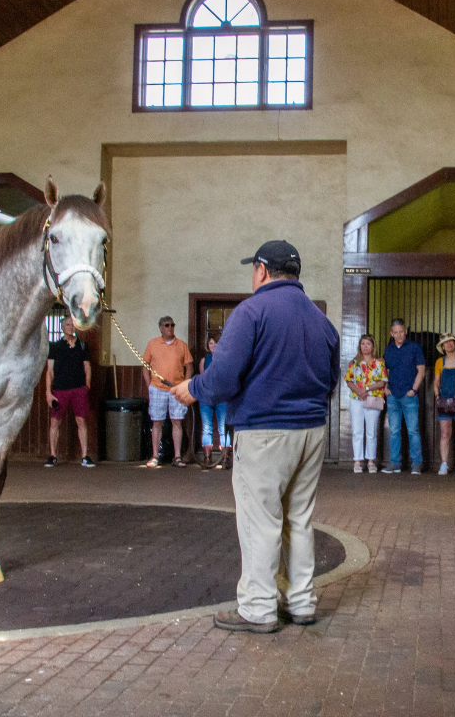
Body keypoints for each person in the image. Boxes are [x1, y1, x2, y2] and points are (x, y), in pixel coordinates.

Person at [170, 239, 340, 634]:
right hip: (312, 431)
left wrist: (192, 388)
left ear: (262, 269)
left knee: (261, 519)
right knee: (298, 519)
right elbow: (331, 379)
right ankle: (300, 603)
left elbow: (225, 377)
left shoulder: (251, 311)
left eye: (253, 268)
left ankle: (259, 608)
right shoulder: (320, 320)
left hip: (264, 431)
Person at [142, 315, 194, 468]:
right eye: (166, 325)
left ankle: (177, 457)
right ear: (160, 328)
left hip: (176, 388)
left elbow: (189, 366)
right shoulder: (153, 344)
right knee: (157, 422)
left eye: (172, 325)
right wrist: (149, 386)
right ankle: (155, 455)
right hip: (157, 388)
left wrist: (185, 384)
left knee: (177, 422)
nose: (170, 328)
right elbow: (146, 366)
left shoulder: (181, 345)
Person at [44, 317, 94, 468]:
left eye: (73, 325)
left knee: (81, 421)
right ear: (62, 327)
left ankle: (85, 456)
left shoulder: (83, 345)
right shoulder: (55, 346)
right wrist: (48, 392)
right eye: (68, 325)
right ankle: (53, 455)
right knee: (55, 422)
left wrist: (87, 387)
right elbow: (50, 371)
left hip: (79, 389)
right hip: (59, 390)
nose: (71, 327)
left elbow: (87, 367)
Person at [383, 318, 426, 474]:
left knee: (412, 430)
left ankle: (416, 463)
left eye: (401, 331)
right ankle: (394, 462)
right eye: (395, 332)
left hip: (409, 395)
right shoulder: (388, 350)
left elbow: (421, 371)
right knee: (394, 430)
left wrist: (413, 389)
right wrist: (386, 387)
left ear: (406, 331)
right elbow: (386, 371)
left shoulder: (415, 348)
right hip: (392, 395)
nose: (399, 335)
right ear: (391, 333)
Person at [344, 334, 387, 474]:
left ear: (373, 346)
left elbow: (382, 381)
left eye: (368, 344)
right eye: (363, 344)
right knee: (357, 431)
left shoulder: (379, 363)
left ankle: (370, 461)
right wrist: (359, 391)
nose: (365, 346)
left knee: (371, 432)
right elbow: (348, 380)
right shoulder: (354, 363)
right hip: (356, 399)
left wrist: (367, 389)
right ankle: (357, 461)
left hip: (373, 399)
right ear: (359, 346)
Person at [433, 333, 455, 476]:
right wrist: (437, 395)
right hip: (444, 400)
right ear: (442, 347)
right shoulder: (439, 362)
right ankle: (444, 464)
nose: (449, 344)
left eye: (451, 342)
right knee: (445, 434)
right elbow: (436, 381)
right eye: (445, 343)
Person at [198, 333, 230, 470]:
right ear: (208, 345)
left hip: (221, 397)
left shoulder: (226, 359)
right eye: (211, 343)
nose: (213, 346)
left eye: (216, 343)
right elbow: (202, 378)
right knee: (207, 428)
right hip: (206, 397)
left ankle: (225, 458)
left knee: (223, 428)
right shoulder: (204, 360)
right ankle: (207, 458)